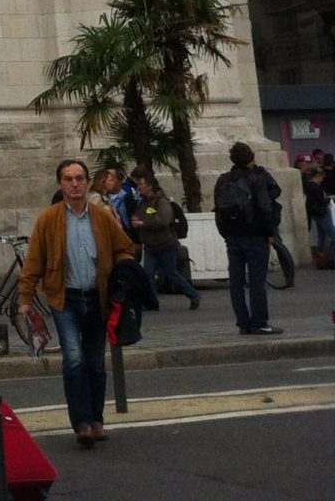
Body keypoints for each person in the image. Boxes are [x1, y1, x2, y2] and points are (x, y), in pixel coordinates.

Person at [21, 157, 137, 446]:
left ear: (87, 182)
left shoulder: (102, 217)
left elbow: (125, 249)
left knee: (96, 363)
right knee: (73, 359)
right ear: (61, 184)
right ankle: (82, 423)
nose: (75, 184)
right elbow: (34, 260)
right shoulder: (48, 219)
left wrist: (123, 273)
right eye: (68, 179)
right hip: (66, 300)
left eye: (79, 178)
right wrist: (26, 296)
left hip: (98, 299)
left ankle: (97, 420)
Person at [212, 141, 284, 335]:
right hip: (255, 236)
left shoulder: (223, 180)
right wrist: (270, 233)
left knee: (236, 282)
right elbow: (264, 208)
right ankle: (259, 322)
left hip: (232, 236)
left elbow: (217, 209)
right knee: (257, 281)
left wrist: (225, 233)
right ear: (251, 158)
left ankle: (243, 323)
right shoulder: (256, 178)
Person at [129, 172, 200, 310]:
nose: (139, 187)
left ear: (150, 186)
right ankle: (152, 302)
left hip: (166, 244)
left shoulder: (162, 201)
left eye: (142, 184)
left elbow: (163, 220)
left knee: (171, 273)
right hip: (150, 246)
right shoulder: (143, 202)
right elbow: (139, 215)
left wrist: (143, 223)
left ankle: (193, 294)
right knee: (148, 274)